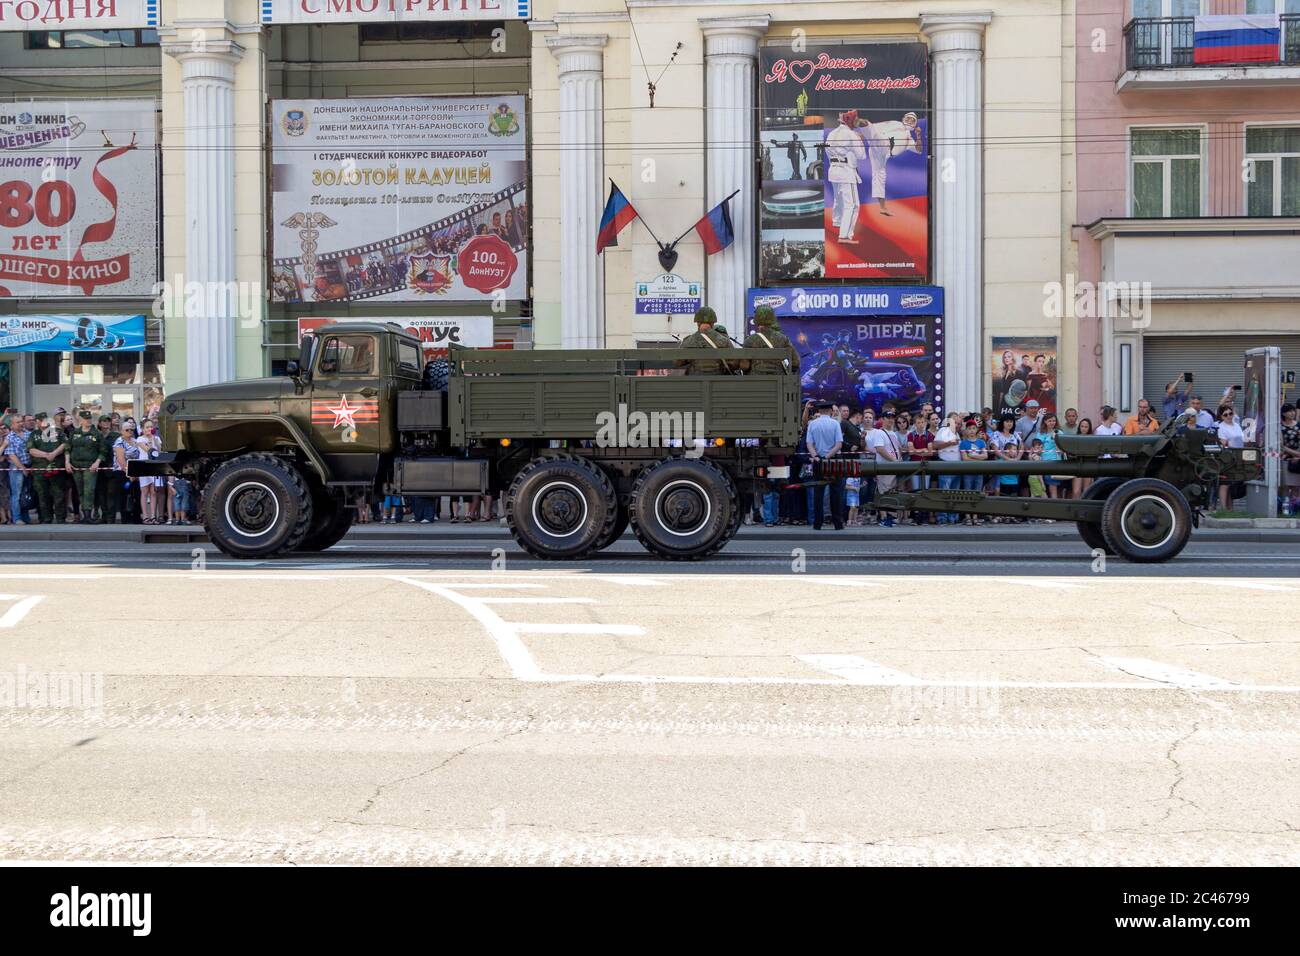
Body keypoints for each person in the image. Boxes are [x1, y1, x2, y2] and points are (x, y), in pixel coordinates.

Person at [860, 111, 923, 217]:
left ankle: (883, 208)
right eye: (908, 118)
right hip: (882, 142)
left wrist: (918, 135)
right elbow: (876, 127)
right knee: (875, 135)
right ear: (903, 119)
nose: (909, 121)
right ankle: (857, 120)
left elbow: (919, 150)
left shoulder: (910, 141)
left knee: (880, 175)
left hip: (883, 155)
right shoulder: (895, 124)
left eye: (913, 120)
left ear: (915, 124)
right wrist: (863, 134)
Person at [826, 109, 867, 243]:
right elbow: (861, 156)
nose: (857, 122)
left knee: (839, 199)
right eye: (855, 119)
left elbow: (828, 152)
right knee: (853, 205)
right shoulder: (851, 135)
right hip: (846, 172)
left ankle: (837, 222)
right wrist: (860, 140)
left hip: (833, 170)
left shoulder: (832, 133)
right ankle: (844, 235)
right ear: (850, 121)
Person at [805, 400, 844, 531]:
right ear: (831, 411)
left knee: (818, 492)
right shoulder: (835, 424)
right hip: (834, 460)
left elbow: (809, 443)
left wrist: (817, 457)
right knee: (836, 492)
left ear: (819, 411)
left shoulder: (812, 424)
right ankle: (838, 523)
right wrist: (827, 457)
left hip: (817, 460)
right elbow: (839, 444)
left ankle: (817, 523)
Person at [27, 413, 68, 524]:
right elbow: (31, 450)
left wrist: (54, 453)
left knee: (59, 494)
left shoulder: (58, 432)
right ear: (38, 422)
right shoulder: (34, 434)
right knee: (43, 495)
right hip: (40, 470)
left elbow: (65, 444)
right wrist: (46, 455)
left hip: (56, 468)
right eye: (41, 420)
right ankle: (46, 518)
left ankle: (60, 518)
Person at [66, 410, 104, 524]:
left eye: (89, 418)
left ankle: (88, 514)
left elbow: (103, 451)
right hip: (76, 466)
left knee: (89, 490)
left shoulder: (96, 433)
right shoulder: (74, 433)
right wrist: (67, 462)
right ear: (80, 420)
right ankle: (84, 514)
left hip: (90, 466)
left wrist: (97, 463)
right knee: (80, 490)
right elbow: (68, 448)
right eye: (86, 419)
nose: (88, 420)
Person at [868, 410, 903, 528]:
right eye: (888, 417)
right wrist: (894, 460)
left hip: (893, 467)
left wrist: (899, 460)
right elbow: (879, 449)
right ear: (882, 419)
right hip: (884, 467)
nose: (891, 419)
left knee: (891, 493)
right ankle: (884, 518)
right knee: (884, 493)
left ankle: (890, 517)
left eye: (892, 417)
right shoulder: (879, 433)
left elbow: (897, 449)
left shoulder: (893, 433)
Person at [741, 305, 799, 375]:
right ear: (772, 318)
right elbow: (796, 362)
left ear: (756, 319)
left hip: (756, 382)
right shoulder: (783, 338)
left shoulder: (749, 340)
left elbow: (744, 366)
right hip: (779, 381)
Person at [676, 307, 731, 375]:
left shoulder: (688, 340)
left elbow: (678, 362)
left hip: (695, 381)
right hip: (718, 380)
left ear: (698, 323)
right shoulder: (724, 340)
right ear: (713, 323)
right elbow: (734, 363)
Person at [933, 411, 963, 524]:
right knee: (945, 493)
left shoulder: (957, 433)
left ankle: (952, 518)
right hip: (946, 465)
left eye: (957, 420)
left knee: (955, 494)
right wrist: (950, 443)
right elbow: (935, 445)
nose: (956, 421)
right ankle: (942, 518)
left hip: (957, 466)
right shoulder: (943, 430)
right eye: (954, 419)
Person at [958, 418, 989, 526]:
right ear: (966, 430)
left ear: (977, 430)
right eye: (969, 428)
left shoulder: (981, 442)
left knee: (977, 494)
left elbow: (985, 456)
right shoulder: (963, 443)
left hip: (979, 472)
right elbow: (964, 458)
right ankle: (967, 517)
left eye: (973, 428)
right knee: (967, 494)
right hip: (968, 472)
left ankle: (975, 517)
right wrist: (977, 457)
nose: (971, 430)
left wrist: (972, 455)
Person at [1215, 405, 1245, 511]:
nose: (1228, 416)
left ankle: (1230, 508)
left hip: (1238, 456)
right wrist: (1233, 442)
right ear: (1221, 416)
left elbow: (1242, 439)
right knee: (1225, 483)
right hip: (1226, 457)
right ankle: (1223, 508)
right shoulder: (1221, 427)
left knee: (1232, 482)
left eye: (1230, 413)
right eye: (1225, 414)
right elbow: (1223, 442)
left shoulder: (1236, 425)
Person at [1033, 412, 1065, 500]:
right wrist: (1037, 451)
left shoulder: (1059, 432)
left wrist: (1056, 439)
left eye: (1054, 421)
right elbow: (1036, 449)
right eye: (1050, 421)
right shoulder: (1040, 434)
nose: (1052, 423)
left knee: (1053, 488)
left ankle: (1054, 506)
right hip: (1042, 464)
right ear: (1045, 422)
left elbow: (1061, 451)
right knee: (1043, 488)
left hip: (1055, 463)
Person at [1280, 404, 1300, 514]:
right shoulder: (1280, 427)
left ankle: (1295, 507)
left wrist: (1298, 455)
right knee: (1286, 485)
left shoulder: (1298, 425)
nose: (1292, 413)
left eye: (1293, 411)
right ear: (1283, 414)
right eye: (1289, 411)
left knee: (1296, 485)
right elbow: (1281, 445)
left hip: (1297, 459)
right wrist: (1295, 454)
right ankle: (1285, 509)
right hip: (1286, 459)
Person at [1070, 417, 1095, 499]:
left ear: (1089, 428)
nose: (1083, 429)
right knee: (1076, 491)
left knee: (1086, 490)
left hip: (1088, 465)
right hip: (1077, 465)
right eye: (1082, 426)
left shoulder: (1092, 439)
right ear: (1079, 427)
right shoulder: (1075, 438)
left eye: (1086, 427)